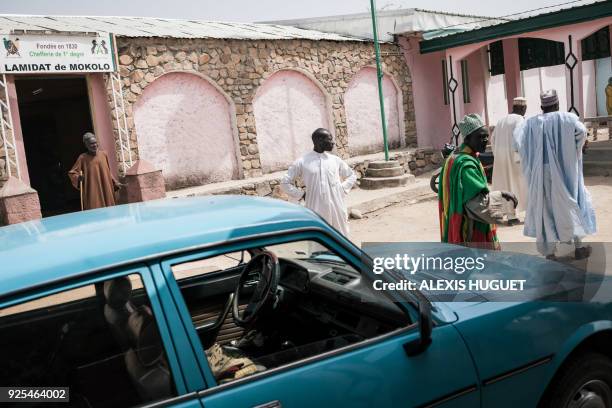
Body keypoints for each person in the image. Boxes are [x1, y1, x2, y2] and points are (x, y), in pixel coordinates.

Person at [513, 89, 596, 260]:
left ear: (542, 106)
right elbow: (581, 132)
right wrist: (576, 147)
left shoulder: (530, 123)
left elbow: (517, 141)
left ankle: (550, 253)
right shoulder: (568, 118)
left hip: (540, 174)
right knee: (570, 204)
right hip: (565, 173)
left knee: (546, 210)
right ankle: (579, 247)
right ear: (557, 104)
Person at [438, 113, 517, 249]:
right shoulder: (466, 164)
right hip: (469, 227)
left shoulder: (455, 157)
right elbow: (476, 203)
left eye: (486, 136)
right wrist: (502, 194)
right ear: (467, 139)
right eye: (480, 137)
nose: (485, 140)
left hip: (456, 221)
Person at [281, 128, 356, 236]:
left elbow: (351, 176)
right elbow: (284, 183)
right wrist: (301, 194)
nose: (333, 142)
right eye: (330, 139)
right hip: (315, 208)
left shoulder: (335, 160)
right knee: (319, 241)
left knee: (341, 238)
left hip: (337, 208)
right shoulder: (302, 161)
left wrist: (341, 189)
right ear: (319, 140)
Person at [491, 97, 529, 224]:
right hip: (515, 160)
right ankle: (526, 215)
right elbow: (522, 140)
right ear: (523, 108)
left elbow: (493, 140)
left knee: (505, 186)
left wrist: (498, 155)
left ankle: (510, 215)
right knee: (522, 186)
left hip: (501, 159)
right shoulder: (521, 120)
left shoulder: (501, 120)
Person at [68, 132, 121, 210]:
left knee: (110, 209)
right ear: (86, 145)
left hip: (106, 187)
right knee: (95, 209)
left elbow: (108, 171)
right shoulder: (82, 158)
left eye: (96, 143)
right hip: (92, 189)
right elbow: (72, 173)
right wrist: (78, 177)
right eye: (91, 144)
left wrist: (115, 182)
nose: (95, 145)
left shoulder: (103, 154)